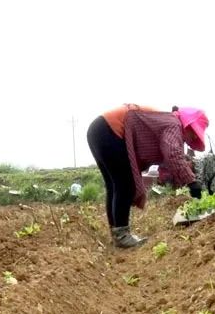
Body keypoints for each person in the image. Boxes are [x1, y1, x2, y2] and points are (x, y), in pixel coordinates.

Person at [87, 103, 208, 248]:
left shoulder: (166, 121)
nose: (193, 137)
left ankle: (118, 233)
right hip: (110, 130)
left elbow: (168, 158)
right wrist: (191, 182)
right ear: (188, 125)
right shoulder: (174, 124)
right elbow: (172, 154)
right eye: (194, 132)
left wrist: (181, 176)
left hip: (99, 129)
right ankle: (122, 235)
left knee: (115, 185)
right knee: (124, 184)